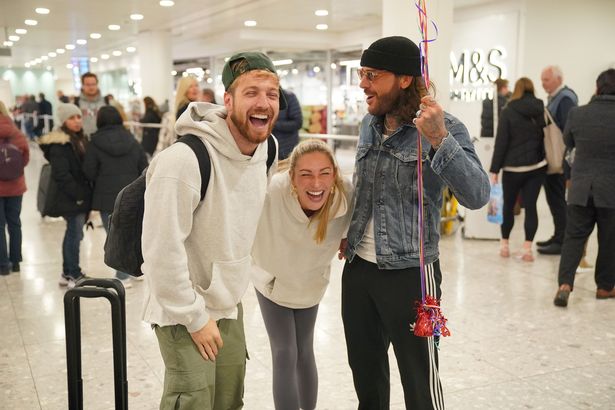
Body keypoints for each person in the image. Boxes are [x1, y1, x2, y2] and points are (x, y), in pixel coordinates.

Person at [341, 36, 490, 410]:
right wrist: (351, 232)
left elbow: (477, 195)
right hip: (359, 271)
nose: (363, 84)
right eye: (362, 74)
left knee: (420, 384)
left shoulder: (443, 127)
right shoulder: (368, 125)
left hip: (411, 272)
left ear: (405, 79)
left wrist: (439, 138)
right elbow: (366, 190)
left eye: (372, 75)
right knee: (367, 380)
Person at [142, 51, 284, 409]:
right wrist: (193, 316)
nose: (264, 102)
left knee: (228, 400)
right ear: (227, 100)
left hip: (228, 303)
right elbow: (161, 250)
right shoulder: (183, 161)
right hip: (181, 309)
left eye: (272, 93)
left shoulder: (267, 149)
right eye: (251, 92)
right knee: (193, 401)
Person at [251, 139, 353, 410]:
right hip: (272, 279)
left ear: (334, 175)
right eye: (306, 174)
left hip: (308, 281)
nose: (316, 183)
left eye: (324, 173)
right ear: (293, 179)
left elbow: (358, 222)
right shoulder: (271, 191)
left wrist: (346, 238)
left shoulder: (345, 197)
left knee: (304, 351)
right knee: (285, 352)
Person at [553, 69, 615, 307]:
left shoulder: (578, 114)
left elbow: (569, 144)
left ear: (598, 88)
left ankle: (565, 284)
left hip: (580, 187)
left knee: (574, 237)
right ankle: (605, 287)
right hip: (611, 190)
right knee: (609, 239)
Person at [82, 106, 148, 288]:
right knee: (135, 231)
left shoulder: (94, 143)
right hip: (132, 194)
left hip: (106, 196)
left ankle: (123, 275)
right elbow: (144, 165)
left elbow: (89, 171)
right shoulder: (132, 139)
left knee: (114, 234)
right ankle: (136, 270)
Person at [489, 78, 547, 261]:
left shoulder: (508, 110)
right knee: (531, 207)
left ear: (517, 90)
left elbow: (502, 142)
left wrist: (494, 169)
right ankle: (527, 249)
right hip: (536, 166)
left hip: (512, 168)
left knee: (508, 207)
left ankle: (505, 245)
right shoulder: (540, 109)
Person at [39, 103, 92, 289]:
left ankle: (66, 272)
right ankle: (73, 273)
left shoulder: (78, 138)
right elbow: (62, 175)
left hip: (78, 195)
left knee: (73, 233)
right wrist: (78, 194)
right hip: (70, 196)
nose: (77, 121)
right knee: (74, 234)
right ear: (63, 121)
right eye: (72, 118)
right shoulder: (60, 143)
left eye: (78, 117)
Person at [537, 66, 578, 255]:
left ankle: (561, 241)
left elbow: (568, 130)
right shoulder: (555, 98)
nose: (543, 83)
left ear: (558, 79)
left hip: (559, 160)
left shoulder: (565, 99)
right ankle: (557, 235)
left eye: (546, 79)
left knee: (559, 200)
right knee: (554, 200)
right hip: (554, 159)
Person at [0, 101, 29, 275]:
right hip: (16, 185)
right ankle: (16, 262)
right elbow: (25, 157)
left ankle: (3, 265)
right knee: (15, 223)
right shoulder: (15, 131)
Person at [272, 89, 303, 159]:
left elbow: (298, 122)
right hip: (270, 148)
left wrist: (273, 124)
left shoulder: (289, 97)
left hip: (287, 148)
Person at [76, 72, 106, 137]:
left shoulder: (105, 101)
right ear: (82, 85)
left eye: (93, 84)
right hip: (84, 139)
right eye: (88, 84)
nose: (91, 87)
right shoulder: (76, 102)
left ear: (97, 84)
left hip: (104, 138)